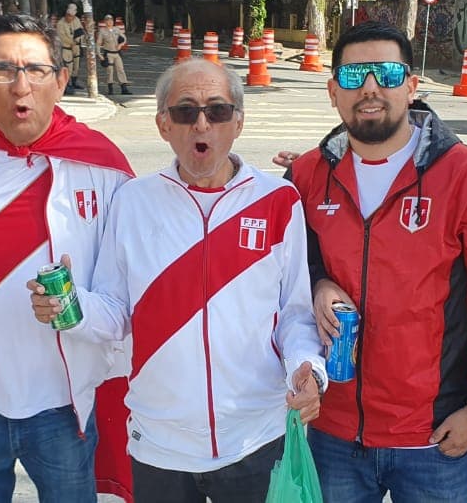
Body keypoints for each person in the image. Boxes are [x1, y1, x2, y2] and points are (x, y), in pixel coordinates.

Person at [31, 58, 325, 503]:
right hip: (159, 442)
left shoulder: (279, 200)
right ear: (163, 125)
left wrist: (307, 367)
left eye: (217, 111)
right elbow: (115, 311)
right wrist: (70, 307)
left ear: (238, 122)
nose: (201, 124)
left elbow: (295, 314)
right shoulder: (133, 201)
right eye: (185, 111)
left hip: (256, 437)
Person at [281, 20, 467, 502]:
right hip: (333, 432)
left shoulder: (465, 174)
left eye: (387, 74)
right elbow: (282, 273)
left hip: (433, 436)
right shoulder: (305, 176)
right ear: (333, 91)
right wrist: (319, 282)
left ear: (412, 86)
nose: (370, 88)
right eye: (353, 76)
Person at [0, 13, 134, 503]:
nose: (21, 86)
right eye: (2, 70)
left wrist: (75, 309)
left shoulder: (105, 167)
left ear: (60, 80)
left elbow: (126, 299)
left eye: (36, 70)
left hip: (63, 406)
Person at [97, 14, 130, 96]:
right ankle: (110, 88)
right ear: (105, 22)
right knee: (110, 71)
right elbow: (98, 43)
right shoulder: (102, 31)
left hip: (117, 53)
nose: (110, 22)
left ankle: (124, 88)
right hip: (108, 53)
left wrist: (121, 44)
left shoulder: (116, 29)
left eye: (111, 20)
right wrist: (99, 54)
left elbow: (124, 38)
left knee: (121, 69)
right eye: (108, 20)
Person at [56, 3, 85, 91]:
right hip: (66, 48)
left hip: (76, 46)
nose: (70, 18)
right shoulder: (60, 23)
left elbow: (80, 31)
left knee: (76, 66)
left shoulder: (76, 20)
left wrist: (78, 41)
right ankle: (67, 84)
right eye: (69, 15)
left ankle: (74, 81)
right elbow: (62, 37)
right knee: (68, 66)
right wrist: (72, 42)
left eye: (72, 16)